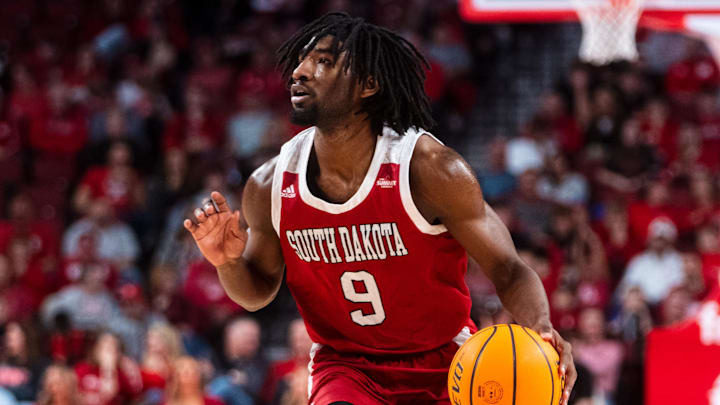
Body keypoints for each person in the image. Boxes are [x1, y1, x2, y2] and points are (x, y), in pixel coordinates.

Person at [184, 12, 576, 405]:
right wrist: (228, 262)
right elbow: (256, 293)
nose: (300, 72)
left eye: (323, 62)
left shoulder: (430, 169)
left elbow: (509, 268)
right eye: (301, 61)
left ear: (367, 85)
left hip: (446, 362)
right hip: (347, 367)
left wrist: (541, 329)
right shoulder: (269, 185)